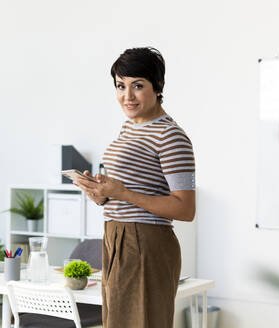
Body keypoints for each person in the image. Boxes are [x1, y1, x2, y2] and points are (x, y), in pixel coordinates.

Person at [74, 47, 196, 328]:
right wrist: (100, 194)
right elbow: (127, 192)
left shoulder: (171, 136)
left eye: (137, 86)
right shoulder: (129, 127)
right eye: (121, 86)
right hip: (115, 236)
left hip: (147, 241)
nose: (127, 96)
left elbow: (185, 208)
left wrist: (122, 193)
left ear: (158, 86)